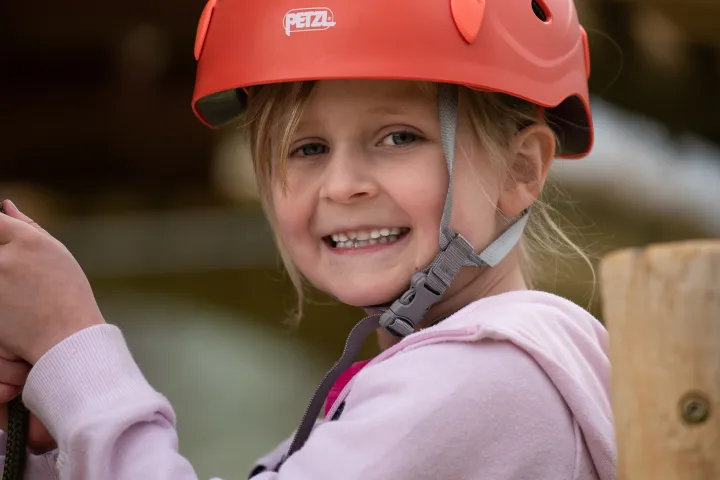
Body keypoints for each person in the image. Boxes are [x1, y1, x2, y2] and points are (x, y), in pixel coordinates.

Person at [0, 0, 616, 478]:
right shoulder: (460, 373)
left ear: (522, 170)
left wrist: (70, 348)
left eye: (399, 137)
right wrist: (53, 438)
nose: (341, 186)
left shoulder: (487, 377)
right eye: (308, 149)